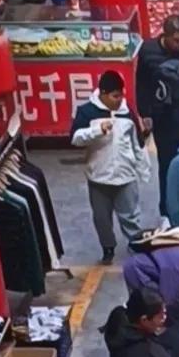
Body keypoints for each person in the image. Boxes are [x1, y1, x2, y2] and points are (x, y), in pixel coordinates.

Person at [71, 70, 151, 264]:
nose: (118, 100)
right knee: (102, 218)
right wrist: (96, 131)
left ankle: (136, 243)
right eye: (115, 96)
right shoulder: (87, 113)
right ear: (103, 94)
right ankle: (108, 247)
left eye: (121, 95)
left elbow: (138, 144)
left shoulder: (126, 112)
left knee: (130, 216)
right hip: (99, 177)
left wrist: (143, 170)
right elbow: (75, 138)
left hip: (126, 176)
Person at [135, 15, 179, 217]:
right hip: (163, 118)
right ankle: (167, 210)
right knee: (167, 164)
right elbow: (142, 84)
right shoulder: (148, 52)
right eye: (176, 40)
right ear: (164, 35)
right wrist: (145, 113)